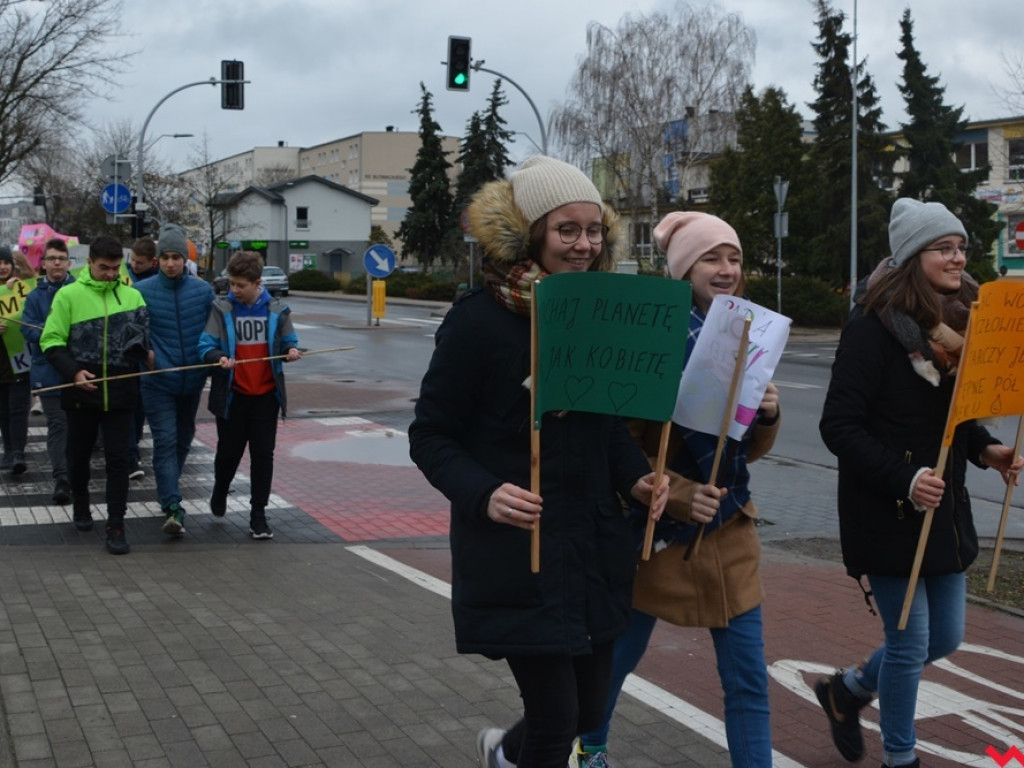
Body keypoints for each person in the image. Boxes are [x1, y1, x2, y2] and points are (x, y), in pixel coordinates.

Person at [407, 155, 668, 768]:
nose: (584, 245)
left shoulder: (597, 316)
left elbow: (606, 429)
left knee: (585, 712)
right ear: (532, 234)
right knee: (556, 724)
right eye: (567, 230)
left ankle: (503, 755)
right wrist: (485, 492)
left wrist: (636, 478)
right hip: (519, 551)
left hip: (593, 549)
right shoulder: (476, 322)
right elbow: (430, 436)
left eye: (594, 230)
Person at [816, 198, 1023, 768]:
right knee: (909, 643)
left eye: (960, 246)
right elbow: (837, 425)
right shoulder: (871, 329)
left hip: (943, 508)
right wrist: (904, 478)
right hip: (887, 509)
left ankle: (848, 691)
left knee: (946, 638)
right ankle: (900, 757)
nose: (958, 257)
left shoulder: (962, 321)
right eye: (943, 248)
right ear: (913, 257)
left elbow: (955, 413)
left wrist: (988, 449)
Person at [574, 212, 780, 768]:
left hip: (731, 530)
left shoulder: (748, 336)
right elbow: (624, 449)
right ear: (684, 268)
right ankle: (586, 749)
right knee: (614, 663)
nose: (727, 269)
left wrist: (766, 415)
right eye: (712, 258)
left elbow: (741, 450)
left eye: (734, 258)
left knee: (748, 684)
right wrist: (681, 493)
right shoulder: (652, 342)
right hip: (658, 539)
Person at [40, 235, 149, 554]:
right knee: (78, 457)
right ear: (89, 263)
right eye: (104, 268)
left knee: (118, 459)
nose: (111, 274)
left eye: (116, 268)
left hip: (121, 394)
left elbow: (140, 346)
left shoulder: (133, 297)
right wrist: (72, 371)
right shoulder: (68, 296)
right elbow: (51, 341)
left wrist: (145, 354)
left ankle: (116, 524)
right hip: (80, 393)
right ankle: (82, 502)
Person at [198, 250, 301, 540]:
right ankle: (220, 489)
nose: (234, 290)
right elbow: (205, 343)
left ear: (258, 283)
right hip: (233, 397)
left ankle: (258, 515)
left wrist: (290, 352)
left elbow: (289, 342)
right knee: (229, 453)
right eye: (232, 284)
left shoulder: (278, 310)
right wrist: (217, 356)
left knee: (263, 456)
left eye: (240, 285)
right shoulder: (222, 309)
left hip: (266, 397)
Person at [135, 224, 215, 536]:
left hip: (191, 381)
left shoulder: (203, 291)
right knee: (165, 442)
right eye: (165, 257)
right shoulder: (142, 292)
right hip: (156, 382)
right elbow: (132, 333)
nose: (171, 263)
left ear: (185, 259)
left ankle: (168, 488)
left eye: (176, 257)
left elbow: (214, 332)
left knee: (183, 440)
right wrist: (146, 354)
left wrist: (211, 362)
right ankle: (173, 505)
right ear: (158, 259)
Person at [22, 238, 75, 503]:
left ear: (68, 262)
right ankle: (61, 478)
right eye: (51, 258)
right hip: (48, 371)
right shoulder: (34, 295)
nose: (56, 263)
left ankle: (77, 472)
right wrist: (49, 330)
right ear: (43, 264)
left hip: (77, 370)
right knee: (57, 424)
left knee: (76, 426)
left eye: (61, 259)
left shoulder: (79, 290)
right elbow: (26, 328)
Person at [125, 235, 160, 480]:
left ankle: (133, 443)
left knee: (139, 406)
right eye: (132, 261)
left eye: (140, 262)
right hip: (127, 350)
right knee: (129, 404)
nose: (134, 266)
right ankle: (129, 452)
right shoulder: (124, 275)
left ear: (152, 262)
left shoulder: (157, 283)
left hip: (148, 350)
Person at [0, 246, 31, 475]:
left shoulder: (23, 287)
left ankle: (18, 452)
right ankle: (9, 449)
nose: (2, 267)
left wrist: (19, 285)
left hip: (20, 359)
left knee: (19, 408)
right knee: (3, 409)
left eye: (6, 262)